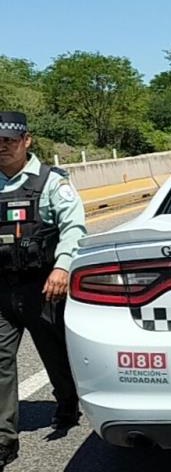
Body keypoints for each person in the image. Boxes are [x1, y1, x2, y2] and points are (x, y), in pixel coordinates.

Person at [0, 111, 84, 469]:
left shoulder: (51, 182)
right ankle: (4, 439)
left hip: (43, 287)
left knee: (55, 355)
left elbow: (74, 228)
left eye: (9, 141)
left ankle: (66, 402)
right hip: (1, 288)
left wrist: (63, 266)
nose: (3, 147)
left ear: (26, 141)